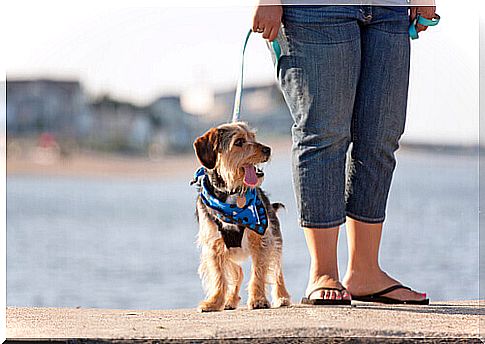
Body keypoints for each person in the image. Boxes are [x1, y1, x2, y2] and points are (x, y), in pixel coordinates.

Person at [252, 1, 437, 304]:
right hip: (315, 9)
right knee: (324, 133)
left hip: (389, 9)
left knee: (380, 137)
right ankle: (323, 272)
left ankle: (365, 271)